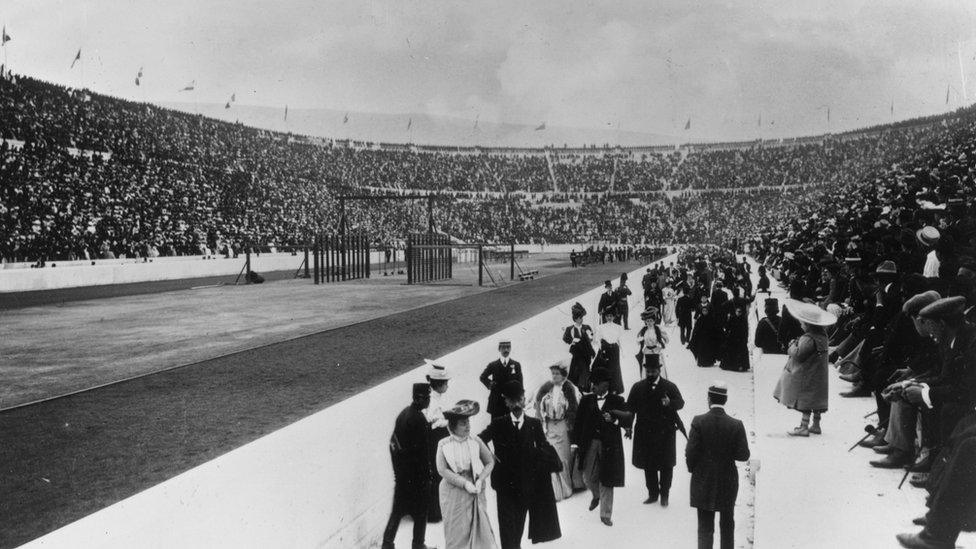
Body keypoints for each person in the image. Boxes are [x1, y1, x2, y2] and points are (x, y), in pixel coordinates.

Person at [479, 381, 562, 548]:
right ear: (506, 402)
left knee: (518, 529)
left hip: (526, 486)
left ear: (524, 400)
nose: (516, 404)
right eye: (512, 400)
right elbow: (480, 440)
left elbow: (543, 446)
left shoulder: (534, 424)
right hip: (505, 486)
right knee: (508, 531)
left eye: (519, 399)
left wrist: (546, 461)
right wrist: (491, 459)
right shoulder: (498, 423)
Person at [687, 382, 751, 549]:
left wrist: (695, 470)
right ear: (726, 400)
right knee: (727, 524)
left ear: (709, 399)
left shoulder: (698, 421)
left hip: (703, 480)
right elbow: (743, 455)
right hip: (727, 481)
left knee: (705, 527)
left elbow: (690, 452)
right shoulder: (736, 424)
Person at [572, 368, 632, 527]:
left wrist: (614, 420)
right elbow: (578, 423)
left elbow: (628, 419)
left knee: (607, 478)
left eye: (606, 385)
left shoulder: (617, 400)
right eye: (601, 385)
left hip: (610, 444)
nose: (604, 388)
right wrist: (575, 442)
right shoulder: (586, 400)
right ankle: (596, 495)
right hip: (590, 442)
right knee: (587, 476)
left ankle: (606, 513)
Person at [436, 400, 498, 549]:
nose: (468, 426)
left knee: (479, 530)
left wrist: (480, 479)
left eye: (468, 422)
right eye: (463, 423)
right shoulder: (444, 444)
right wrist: (464, 483)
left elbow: (490, 461)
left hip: (475, 491)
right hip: (452, 492)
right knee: (456, 532)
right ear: (453, 426)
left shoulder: (475, 440)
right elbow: (442, 470)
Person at [382, 383, 436, 549]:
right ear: (420, 398)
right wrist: (428, 475)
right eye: (427, 398)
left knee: (397, 511)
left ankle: (387, 544)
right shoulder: (419, 419)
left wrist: (399, 473)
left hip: (403, 476)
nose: (428, 401)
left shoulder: (404, 414)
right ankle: (418, 544)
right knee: (421, 512)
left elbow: (393, 444)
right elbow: (423, 452)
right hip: (417, 478)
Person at [773, 300, 837, 436]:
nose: (800, 325)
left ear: (808, 325)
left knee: (806, 401)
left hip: (808, 375)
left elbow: (798, 354)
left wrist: (791, 345)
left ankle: (804, 427)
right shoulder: (823, 336)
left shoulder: (808, 338)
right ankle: (816, 425)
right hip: (820, 376)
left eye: (802, 323)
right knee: (817, 401)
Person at [627, 358, 685, 507]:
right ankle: (653, 494)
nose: (650, 373)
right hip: (645, 432)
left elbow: (681, 403)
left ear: (659, 370)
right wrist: (628, 426)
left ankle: (665, 494)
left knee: (666, 465)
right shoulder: (637, 387)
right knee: (648, 464)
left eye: (653, 371)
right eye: (648, 371)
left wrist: (670, 403)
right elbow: (630, 408)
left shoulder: (669, 387)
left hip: (665, 433)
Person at [533, 362, 585, 500]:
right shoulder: (546, 388)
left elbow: (574, 409)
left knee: (563, 457)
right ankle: (554, 491)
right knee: (551, 455)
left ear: (563, 375)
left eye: (557, 373)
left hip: (563, 426)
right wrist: (541, 418)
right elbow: (537, 402)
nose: (554, 376)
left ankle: (566, 488)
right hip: (550, 425)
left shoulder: (569, 388)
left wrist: (571, 426)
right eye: (553, 373)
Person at [423, 360, 452, 523]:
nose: (447, 385)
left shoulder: (438, 398)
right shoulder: (432, 401)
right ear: (438, 384)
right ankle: (433, 512)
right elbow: (431, 421)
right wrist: (445, 421)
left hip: (440, 437)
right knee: (436, 473)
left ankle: (437, 509)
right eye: (445, 383)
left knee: (440, 473)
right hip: (434, 439)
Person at [480, 340, 524, 418]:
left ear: (510, 349)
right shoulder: (493, 365)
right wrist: (491, 384)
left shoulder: (516, 365)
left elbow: (520, 383)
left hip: (511, 401)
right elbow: (483, 377)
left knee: (511, 425)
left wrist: (520, 399)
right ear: (499, 349)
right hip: (497, 401)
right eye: (503, 348)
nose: (506, 350)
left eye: (508, 347)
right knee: (496, 426)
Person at [563, 302, 596, 391]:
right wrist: (572, 340)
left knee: (585, 368)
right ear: (575, 319)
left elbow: (591, 338)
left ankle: (584, 386)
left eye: (581, 318)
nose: (581, 320)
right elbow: (565, 338)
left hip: (586, 351)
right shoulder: (570, 329)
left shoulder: (586, 327)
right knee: (578, 369)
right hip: (576, 351)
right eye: (579, 318)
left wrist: (590, 337)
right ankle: (579, 386)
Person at [593, 312, 625, 395]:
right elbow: (597, 339)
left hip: (614, 349)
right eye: (607, 316)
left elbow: (620, 339)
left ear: (614, 317)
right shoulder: (600, 327)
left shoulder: (618, 327)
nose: (609, 317)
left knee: (615, 368)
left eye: (611, 316)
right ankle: (603, 388)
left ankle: (615, 388)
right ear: (605, 317)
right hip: (605, 349)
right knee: (605, 368)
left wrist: (623, 352)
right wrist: (601, 349)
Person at [689, 303, 723, 367]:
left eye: (706, 311)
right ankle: (701, 362)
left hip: (709, 339)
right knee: (701, 351)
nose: (704, 312)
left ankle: (709, 362)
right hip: (702, 339)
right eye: (703, 311)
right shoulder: (699, 319)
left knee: (709, 350)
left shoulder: (712, 319)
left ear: (708, 311)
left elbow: (716, 328)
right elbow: (696, 329)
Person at [720, 300, 751, 372]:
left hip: (741, 338)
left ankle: (741, 366)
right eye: (737, 311)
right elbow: (728, 327)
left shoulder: (743, 320)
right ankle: (731, 365)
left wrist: (745, 339)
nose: (738, 313)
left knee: (740, 352)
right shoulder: (732, 318)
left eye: (739, 312)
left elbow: (746, 330)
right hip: (733, 337)